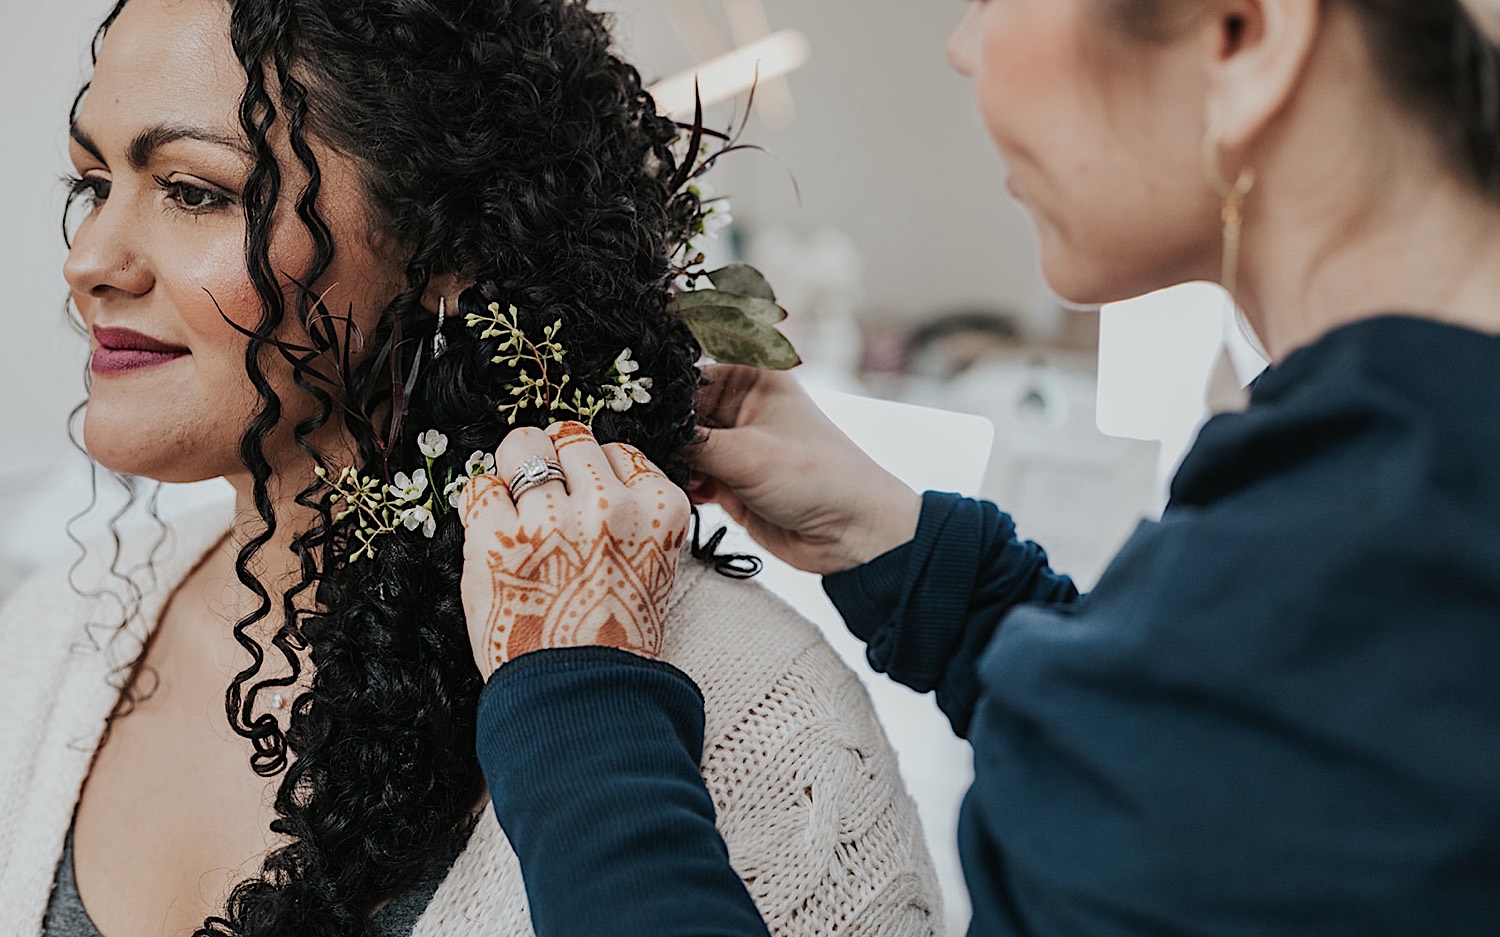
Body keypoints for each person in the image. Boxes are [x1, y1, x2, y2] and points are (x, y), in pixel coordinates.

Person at [458, 0, 1500, 934]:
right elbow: (1247, 800)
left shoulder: (1344, 586)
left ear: (1242, 32)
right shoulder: (1399, 532)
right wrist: (920, 557)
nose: (962, 46)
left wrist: (580, 709)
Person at [0, 1, 943, 935]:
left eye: (194, 190)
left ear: (451, 249)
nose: (88, 260)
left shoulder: (760, 728)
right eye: (92, 182)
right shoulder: (54, 641)